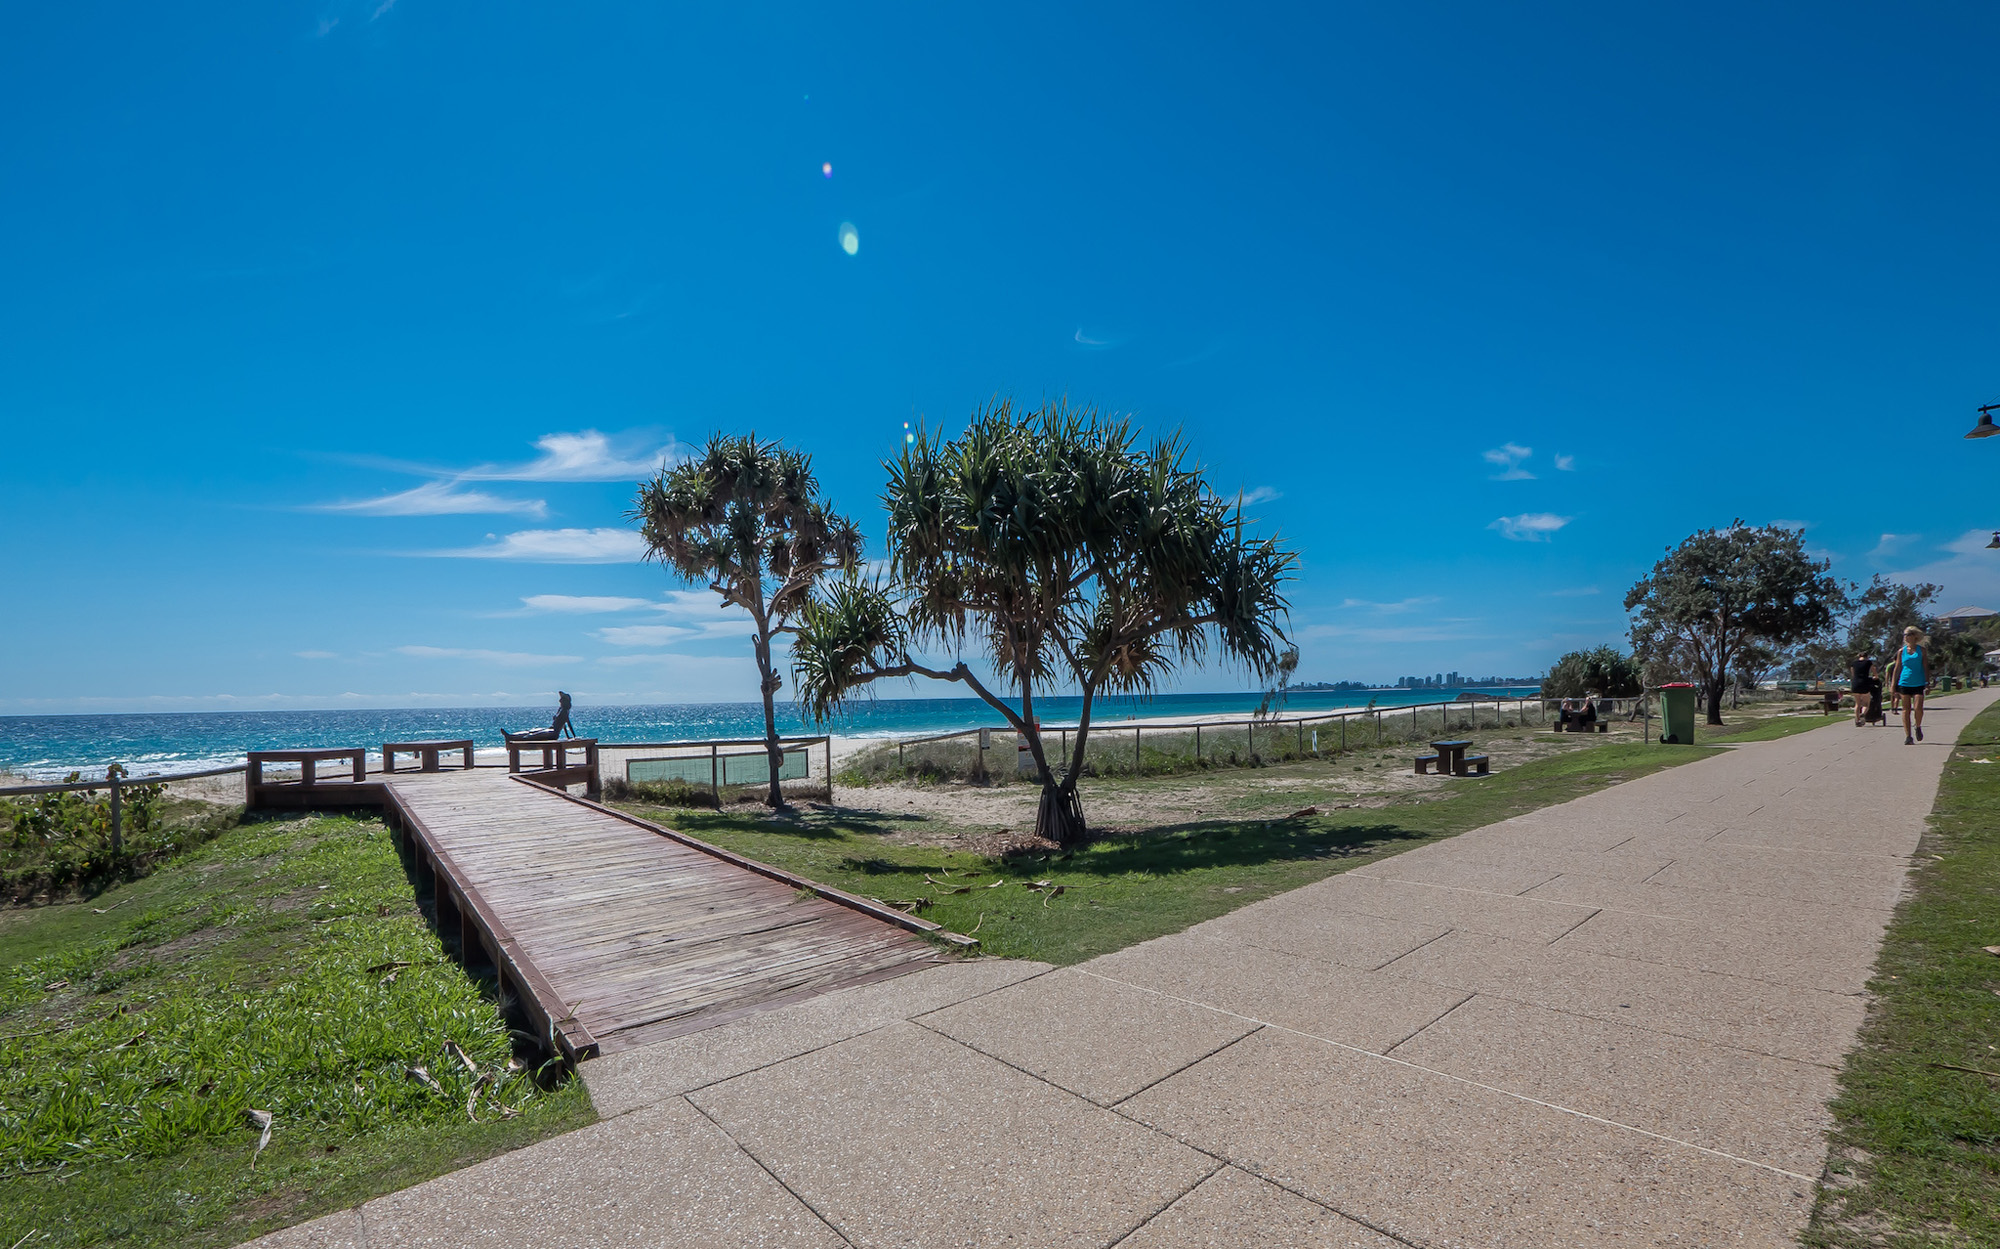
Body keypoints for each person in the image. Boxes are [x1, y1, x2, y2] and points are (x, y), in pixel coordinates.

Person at [1892, 628, 1929, 745]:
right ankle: (1908, 736)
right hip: (1904, 682)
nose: (1906, 637)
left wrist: (1927, 683)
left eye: (1909, 634)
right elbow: (1897, 668)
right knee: (1905, 710)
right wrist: (1893, 685)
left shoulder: (1922, 651)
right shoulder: (1901, 651)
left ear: (1915, 636)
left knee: (1918, 708)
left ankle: (1917, 726)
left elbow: (1926, 667)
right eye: (1905, 635)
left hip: (1918, 682)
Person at [1851, 653, 1876, 727]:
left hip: (1855, 684)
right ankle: (1863, 714)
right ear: (1867, 657)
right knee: (1866, 703)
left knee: (1857, 703)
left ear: (1859, 656)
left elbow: (1853, 674)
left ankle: (1857, 720)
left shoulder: (1853, 663)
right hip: (1864, 683)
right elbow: (1874, 671)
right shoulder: (1868, 662)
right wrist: (1875, 677)